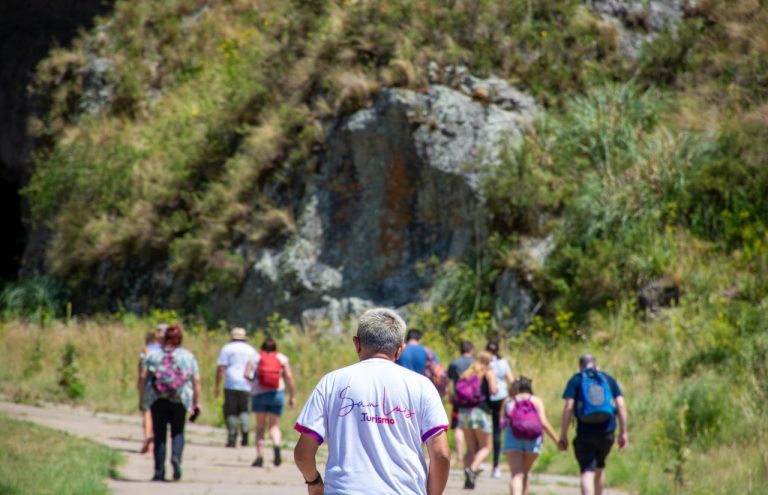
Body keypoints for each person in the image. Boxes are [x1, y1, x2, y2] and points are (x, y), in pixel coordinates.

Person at [293, 308, 451, 495]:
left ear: (356, 344)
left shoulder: (332, 382)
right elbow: (441, 455)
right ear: (400, 349)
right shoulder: (422, 386)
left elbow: (303, 454)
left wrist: (314, 482)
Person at [139, 324, 201, 482]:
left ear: (164, 337)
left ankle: (159, 472)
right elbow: (196, 381)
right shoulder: (188, 356)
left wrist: (142, 398)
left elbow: (143, 377)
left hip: (158, 398)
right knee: (178, 431)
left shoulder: (153, 355)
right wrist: (196, 402)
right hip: (180, 398)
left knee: (159, 435)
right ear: (180, 339)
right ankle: (176, 457)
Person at [559, 354, 628, 495]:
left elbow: (568, 407)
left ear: (580, 366)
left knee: (587, 471)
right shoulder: (607, 379)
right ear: (597, 365)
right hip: (607, 432)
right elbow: (621, 405)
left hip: (585, 433)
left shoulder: (576, 379)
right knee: (600, 466)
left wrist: (563, 434)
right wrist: (624, 432)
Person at [244, 336, 296, 467]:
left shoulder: (255, 357)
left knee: (260, 427)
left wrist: (253, 381)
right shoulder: (282, 358)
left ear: (262, 346)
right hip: (276, 394)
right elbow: (289, 377)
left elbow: (246, 374)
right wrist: (292, 396)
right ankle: (277, 446)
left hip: (258, 394)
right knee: (274, 426)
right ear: (275, 347)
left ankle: (260, 457)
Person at [503, 376, 558, 495]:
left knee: (516, 474)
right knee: (525, 473)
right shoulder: (536, 400)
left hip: (513, 438)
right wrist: (557, 440)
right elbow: (543, 422)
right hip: (533, 439)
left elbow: (501, 423)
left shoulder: (508, 401)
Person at [456, 350, 497, 489]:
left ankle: (468, 480)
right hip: (480, 412)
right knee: (486, 446)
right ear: (488, 361)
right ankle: (472, 469)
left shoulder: (467, 372)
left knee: (471, 448)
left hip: (465, 413)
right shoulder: (488, 372)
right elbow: (493, 390)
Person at [215, 327, 257, 448]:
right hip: (246, 384)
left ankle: (232, 437)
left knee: (231, 411)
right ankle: (245, 432)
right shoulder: (251, 350)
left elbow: (221, 368)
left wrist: (217, 385)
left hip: (231, 383)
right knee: (244, 410)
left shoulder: (227, 348)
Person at [487, 339, 515, 478]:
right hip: (502, 397)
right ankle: (496, 466)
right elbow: (511, 380)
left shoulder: (485, 362)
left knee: (488, 432)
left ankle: (476, 461)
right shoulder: (502, 362)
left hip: (487, 399)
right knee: (498, 431)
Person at [137, 324, 165, 454]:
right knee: (160, 414)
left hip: (150, 384)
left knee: (147, 411)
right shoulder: (170, 350)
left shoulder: (147, 350)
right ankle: (158, 439)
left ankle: (148, 434)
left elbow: (142, 373)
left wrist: (139, 386)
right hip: (166, 386)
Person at [447, 340, 474, 466]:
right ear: (471, 350)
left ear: (460, 350)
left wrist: (449, 395)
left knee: (458, 427)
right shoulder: (476, 362)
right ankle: (471, 454)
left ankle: (459, 457)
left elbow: (447, 380)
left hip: (459, 398)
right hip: (475, 400)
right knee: (472, 428)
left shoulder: (454, 363)